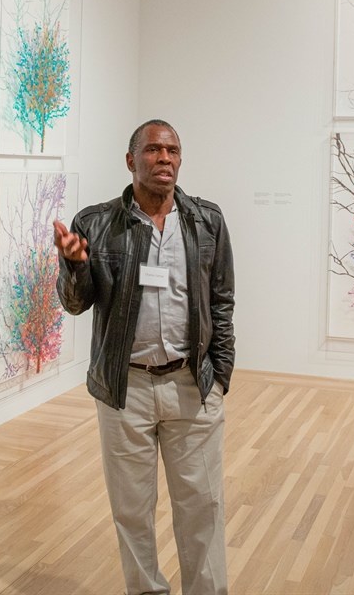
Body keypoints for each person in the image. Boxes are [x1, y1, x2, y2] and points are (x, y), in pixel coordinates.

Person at [54, 119, 235, 595]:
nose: (165, 158)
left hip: (192, 386)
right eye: (153, 150)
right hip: (124, 389)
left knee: (203, 505)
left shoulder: (206, 220)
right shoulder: (94, 223)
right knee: (132, 510)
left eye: (172, 150)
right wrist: (75, 266)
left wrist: (220, 376)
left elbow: (222, 301)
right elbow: (76, 303)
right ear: (131, 160)